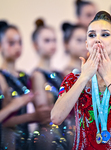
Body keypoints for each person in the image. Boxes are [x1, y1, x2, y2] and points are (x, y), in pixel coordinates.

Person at [51, 11, 111, 150]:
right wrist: (84, 77)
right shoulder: (73, 79)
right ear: (87, 44)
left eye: (105, 34)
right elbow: (56, 118)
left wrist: (108, 76)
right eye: (92, 35)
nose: (97, 39)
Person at [0, 21, 51, 150]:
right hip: (6, 140)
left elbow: (40, 108)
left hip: (24, 141)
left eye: (20, 42)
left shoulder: (24, 76)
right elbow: (4, 121)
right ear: (1, 45)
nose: (17, 47)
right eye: (11, 43)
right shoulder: (1, 77)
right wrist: (29, 115)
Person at [30, 19, 68, 150]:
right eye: (47, 40)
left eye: (54, 40)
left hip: (65, 129)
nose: (52, 44)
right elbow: (44, 111)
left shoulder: (59, 73)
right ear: (36, 45)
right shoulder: (37, 75)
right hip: (49, 133)